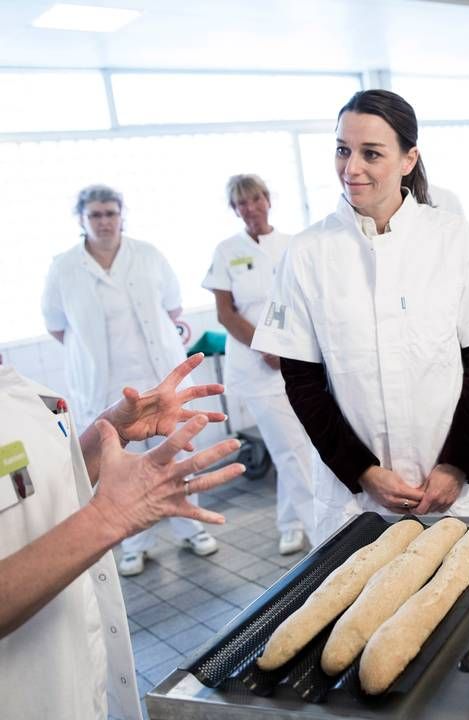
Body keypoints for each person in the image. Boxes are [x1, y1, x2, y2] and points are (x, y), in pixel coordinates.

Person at [252, 90, 469, 538]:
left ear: (408, 159)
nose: (350, 168)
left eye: (370, 153)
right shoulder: (307, 253)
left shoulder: (451, 239)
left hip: (457, 490)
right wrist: (362, 471)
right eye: (342, 150)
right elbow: (301, 380)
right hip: (358, 500)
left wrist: (456, 464)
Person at [0, 353, 245, 720]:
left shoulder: (12, 385)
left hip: (70, 675)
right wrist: (109, 518)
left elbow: (32, 491)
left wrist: (112, 430)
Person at [41, 184, 219, 575]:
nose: (105, 221)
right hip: (107, 388)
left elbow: (172, 307)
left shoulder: (148, 255)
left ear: (122, 215)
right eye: (96, 215)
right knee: (116, 466)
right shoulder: (64, 266)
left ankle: (191, 527)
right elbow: (57, 326)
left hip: (157, 379)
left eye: (111, 213)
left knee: (174, 452)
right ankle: (134, 544)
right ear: (82, 220)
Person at [203, 174, 318, 554]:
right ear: (234, 209)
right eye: (241, 203)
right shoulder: (225, 250)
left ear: (269, 199)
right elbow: (225, 312)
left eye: (256, 199)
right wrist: (265, 345)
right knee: (288, 449)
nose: (250, 208)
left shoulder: (291, 245)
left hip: (294, 358)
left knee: (301, 445)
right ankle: (324, 532)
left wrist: (283, 345)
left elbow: (294, 300)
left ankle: (289, 523)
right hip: (254, 366)